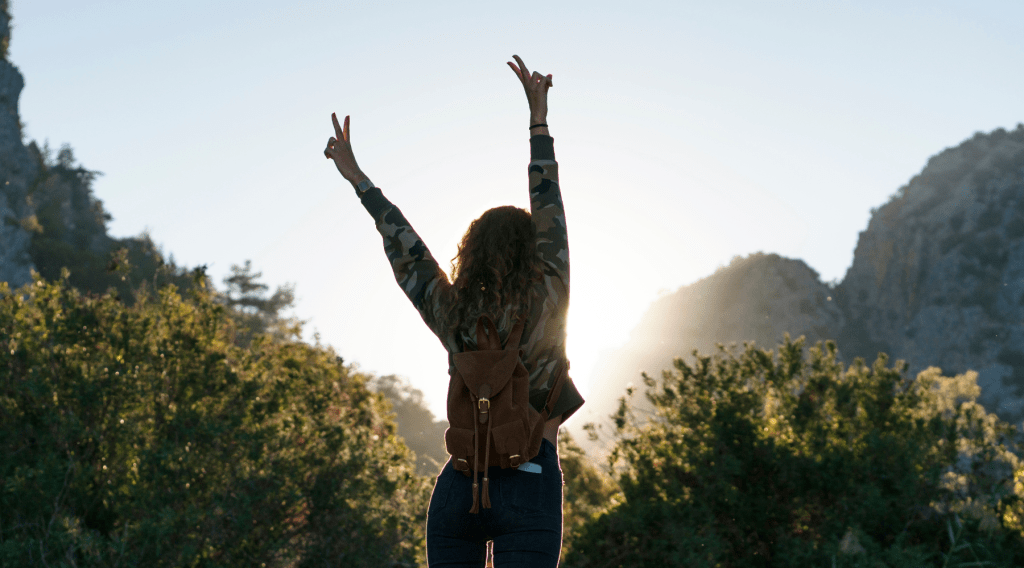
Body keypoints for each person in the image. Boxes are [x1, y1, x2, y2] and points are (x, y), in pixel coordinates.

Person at [324, 54, 584, 568]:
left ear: (474, 252)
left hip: (457, 488)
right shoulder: (548, 295)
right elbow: (548, 203)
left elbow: (408, 251)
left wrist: (359, 181)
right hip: (530, 483)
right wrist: (539, 121)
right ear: (531, 249)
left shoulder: (454, 311)